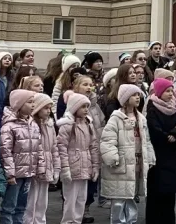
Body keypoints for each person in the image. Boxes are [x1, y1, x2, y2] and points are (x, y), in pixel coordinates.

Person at [100, 84, 154, 224]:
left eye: (138, 95)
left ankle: (131, 221)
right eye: (134, 95)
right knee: (119, 199)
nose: (138, 97)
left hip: (136, 164)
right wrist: (112, 157)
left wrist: (150, 157)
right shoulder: (116, 118)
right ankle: (118, 222)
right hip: (121, 165)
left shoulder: (141, 118)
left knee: (131, 197)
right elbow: (107, 140)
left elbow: (146, 140)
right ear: (125, 98)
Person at [0, 89, 44, 224]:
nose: (33, 105)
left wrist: (40, 167)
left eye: (33, 102)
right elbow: (5, 151)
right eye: (29, 102)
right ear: (19, 104)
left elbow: (39, 147)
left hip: (28, 173)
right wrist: (10, 173)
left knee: (21, 206)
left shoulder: (33, 124)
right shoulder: (9, 126)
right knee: (9, 206)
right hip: (15, 174)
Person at [145, 79, 176, 224]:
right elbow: (153, 128)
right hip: (158, 153)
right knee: (157, 189)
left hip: (171, 153)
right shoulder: (152, 108)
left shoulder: (174, 107)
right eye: (167, 91)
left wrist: (175, 134)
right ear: (159, 92)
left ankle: (168, 219)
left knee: (169, 189)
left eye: (172, 91)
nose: (170, 94)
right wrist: (166, 136)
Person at [57, 92, 100, 224]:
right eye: (83, 106)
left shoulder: (88, 123)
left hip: (85, 166)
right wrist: (65, 169)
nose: (86, 109)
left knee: (81, 198)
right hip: (72, 166)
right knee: (70, 198)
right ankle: (68, 221)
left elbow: (93, 146)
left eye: (87, 106)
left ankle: (77, 220)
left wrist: (95, 166)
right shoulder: (67, 124)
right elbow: (62, 147)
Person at [23, 94, 60, 224]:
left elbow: (54, 148)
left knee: (42, 201)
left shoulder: (50, 125)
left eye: (50, 108)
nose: (48, 111)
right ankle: (29, 221)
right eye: (45, 108)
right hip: (34, 167)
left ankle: (40, 221)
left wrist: (57, 168)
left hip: (48, 165)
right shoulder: (32, 125)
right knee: (31, 199)